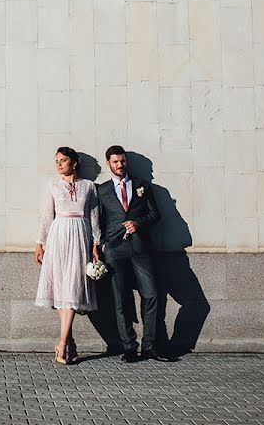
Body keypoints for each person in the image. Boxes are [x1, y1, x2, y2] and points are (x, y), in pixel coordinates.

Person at [96, 145, 169, 362]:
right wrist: (101, 245)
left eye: (122, 161)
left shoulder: (142, 186)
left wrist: (139, 223)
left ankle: (150, 346)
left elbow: (155, 215)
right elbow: (98, 221)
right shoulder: (102, 190)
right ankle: (129, 347)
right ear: (108, 164)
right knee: (120, 298)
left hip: (140, 248)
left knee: (152, 294)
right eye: (115, 162)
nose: (120, 165)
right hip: (115, 250)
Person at [34, 146, 101, 365]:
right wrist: (40, 243)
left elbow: (94, 216)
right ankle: (68, 344)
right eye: (57, 161)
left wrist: (96, 244)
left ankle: (62, 344)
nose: (59, 164)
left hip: (80, 236)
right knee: (62, 288)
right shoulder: (53, 186)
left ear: (74, 162)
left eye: (63, 160)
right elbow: (46, 216)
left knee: (73, 286)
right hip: (59, 235)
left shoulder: (88, 186)